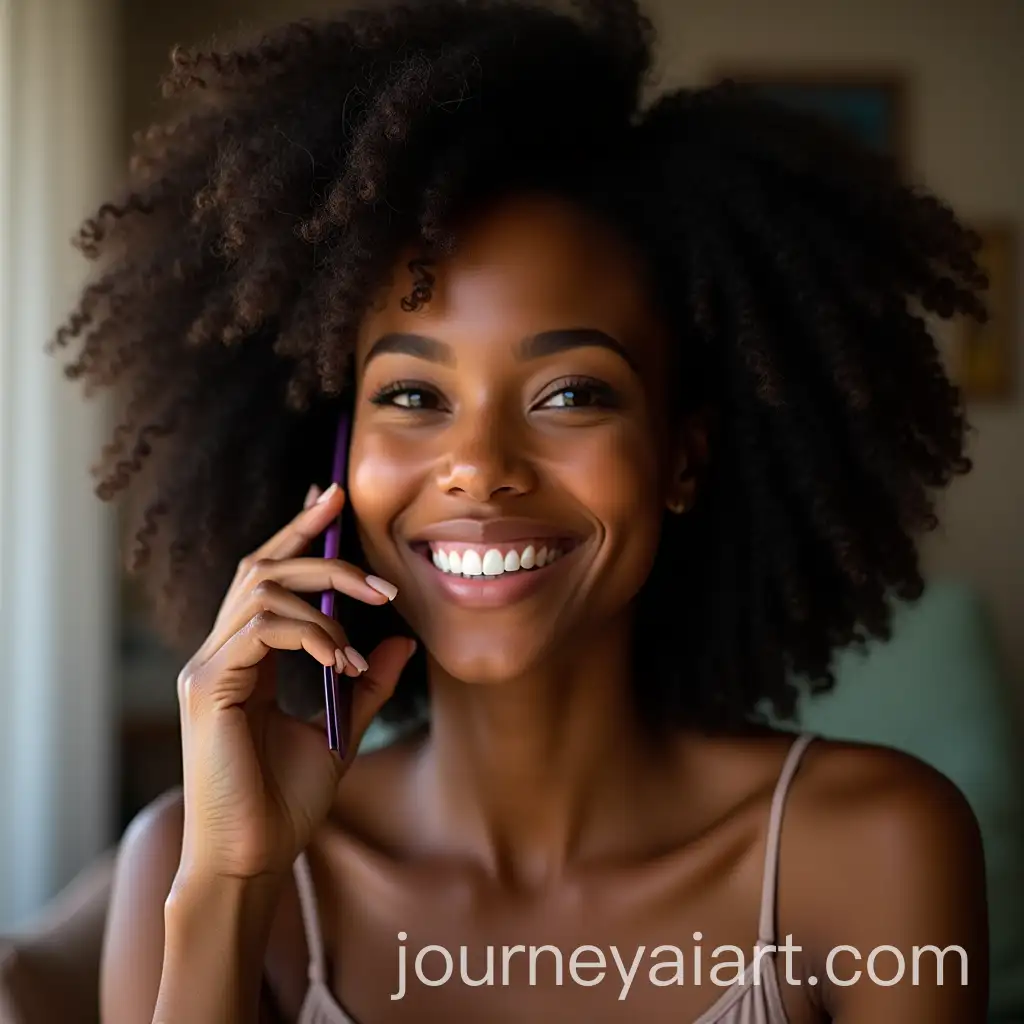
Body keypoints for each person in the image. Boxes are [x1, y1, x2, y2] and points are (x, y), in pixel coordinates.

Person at [54, 1, 989, 1021]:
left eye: (571, 394)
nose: (479, 468)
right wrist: (230, 889)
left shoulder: (878, 845)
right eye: (413, 396)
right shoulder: (187, 865)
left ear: (681, 457)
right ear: (334, 463)